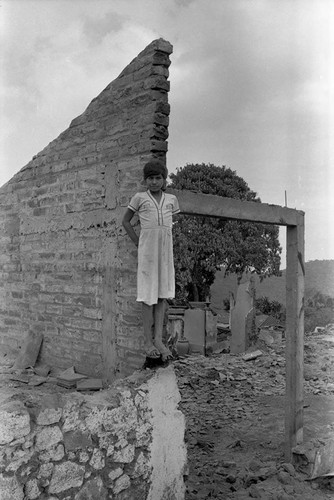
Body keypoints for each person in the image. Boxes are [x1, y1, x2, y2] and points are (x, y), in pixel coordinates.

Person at [122, 159, 180, 361]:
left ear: (164, 180)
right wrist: (138, 242)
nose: (154, 182)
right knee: (148, 296)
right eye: (151, 178)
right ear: (145, 180)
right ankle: (147, 341)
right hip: (147, 252)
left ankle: (158, 339)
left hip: (165, 252)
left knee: (162, 295)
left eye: (158, 178)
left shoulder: (171, 200)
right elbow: (126, 221)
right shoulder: (139, 198)